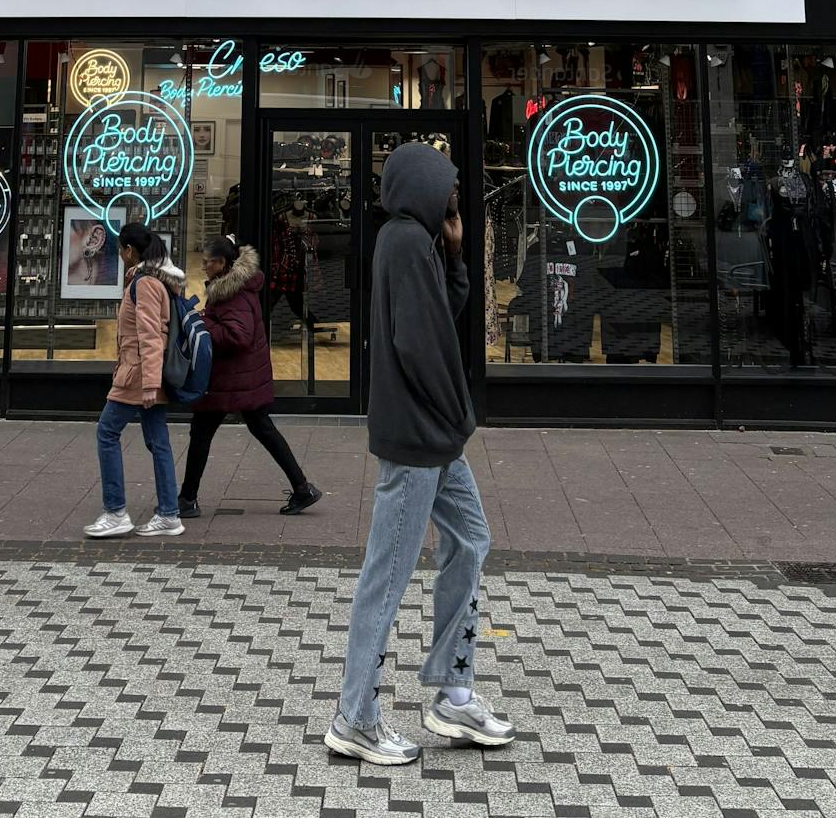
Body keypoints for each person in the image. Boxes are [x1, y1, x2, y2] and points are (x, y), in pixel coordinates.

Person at [325, 142, 514, 767]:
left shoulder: (416, 242)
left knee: (471, 539)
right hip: (419, 437)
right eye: (448, 183)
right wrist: (459, 412)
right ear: (423, 186)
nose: (455, 193)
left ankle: (453, 693)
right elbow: (418, 346)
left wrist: (455, 258)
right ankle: (355, 718)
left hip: (433, 437)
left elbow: (438, 317)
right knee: (386, 575)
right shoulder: (404, 241)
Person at [178, 236, 322, 518]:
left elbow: (238, 336)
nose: (204, 266)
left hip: (233, 378)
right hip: (241, 376)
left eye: (208, 262)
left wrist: (202, 322)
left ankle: (187, 499)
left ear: (223, 263)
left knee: (203, 431)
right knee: (259, 428)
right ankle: (302, 488)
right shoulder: (233, 286)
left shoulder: (234, 293)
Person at [84, 222, 185, 539]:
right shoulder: (152, 281)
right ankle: (168, 514)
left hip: (137, 374)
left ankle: (115, 512)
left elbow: (151, 336)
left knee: (106, 432)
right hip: (145, 373)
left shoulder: (145, 284)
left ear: (129, 251)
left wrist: (150, 384)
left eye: (120, 249)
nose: (119, 255)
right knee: (158, 442)